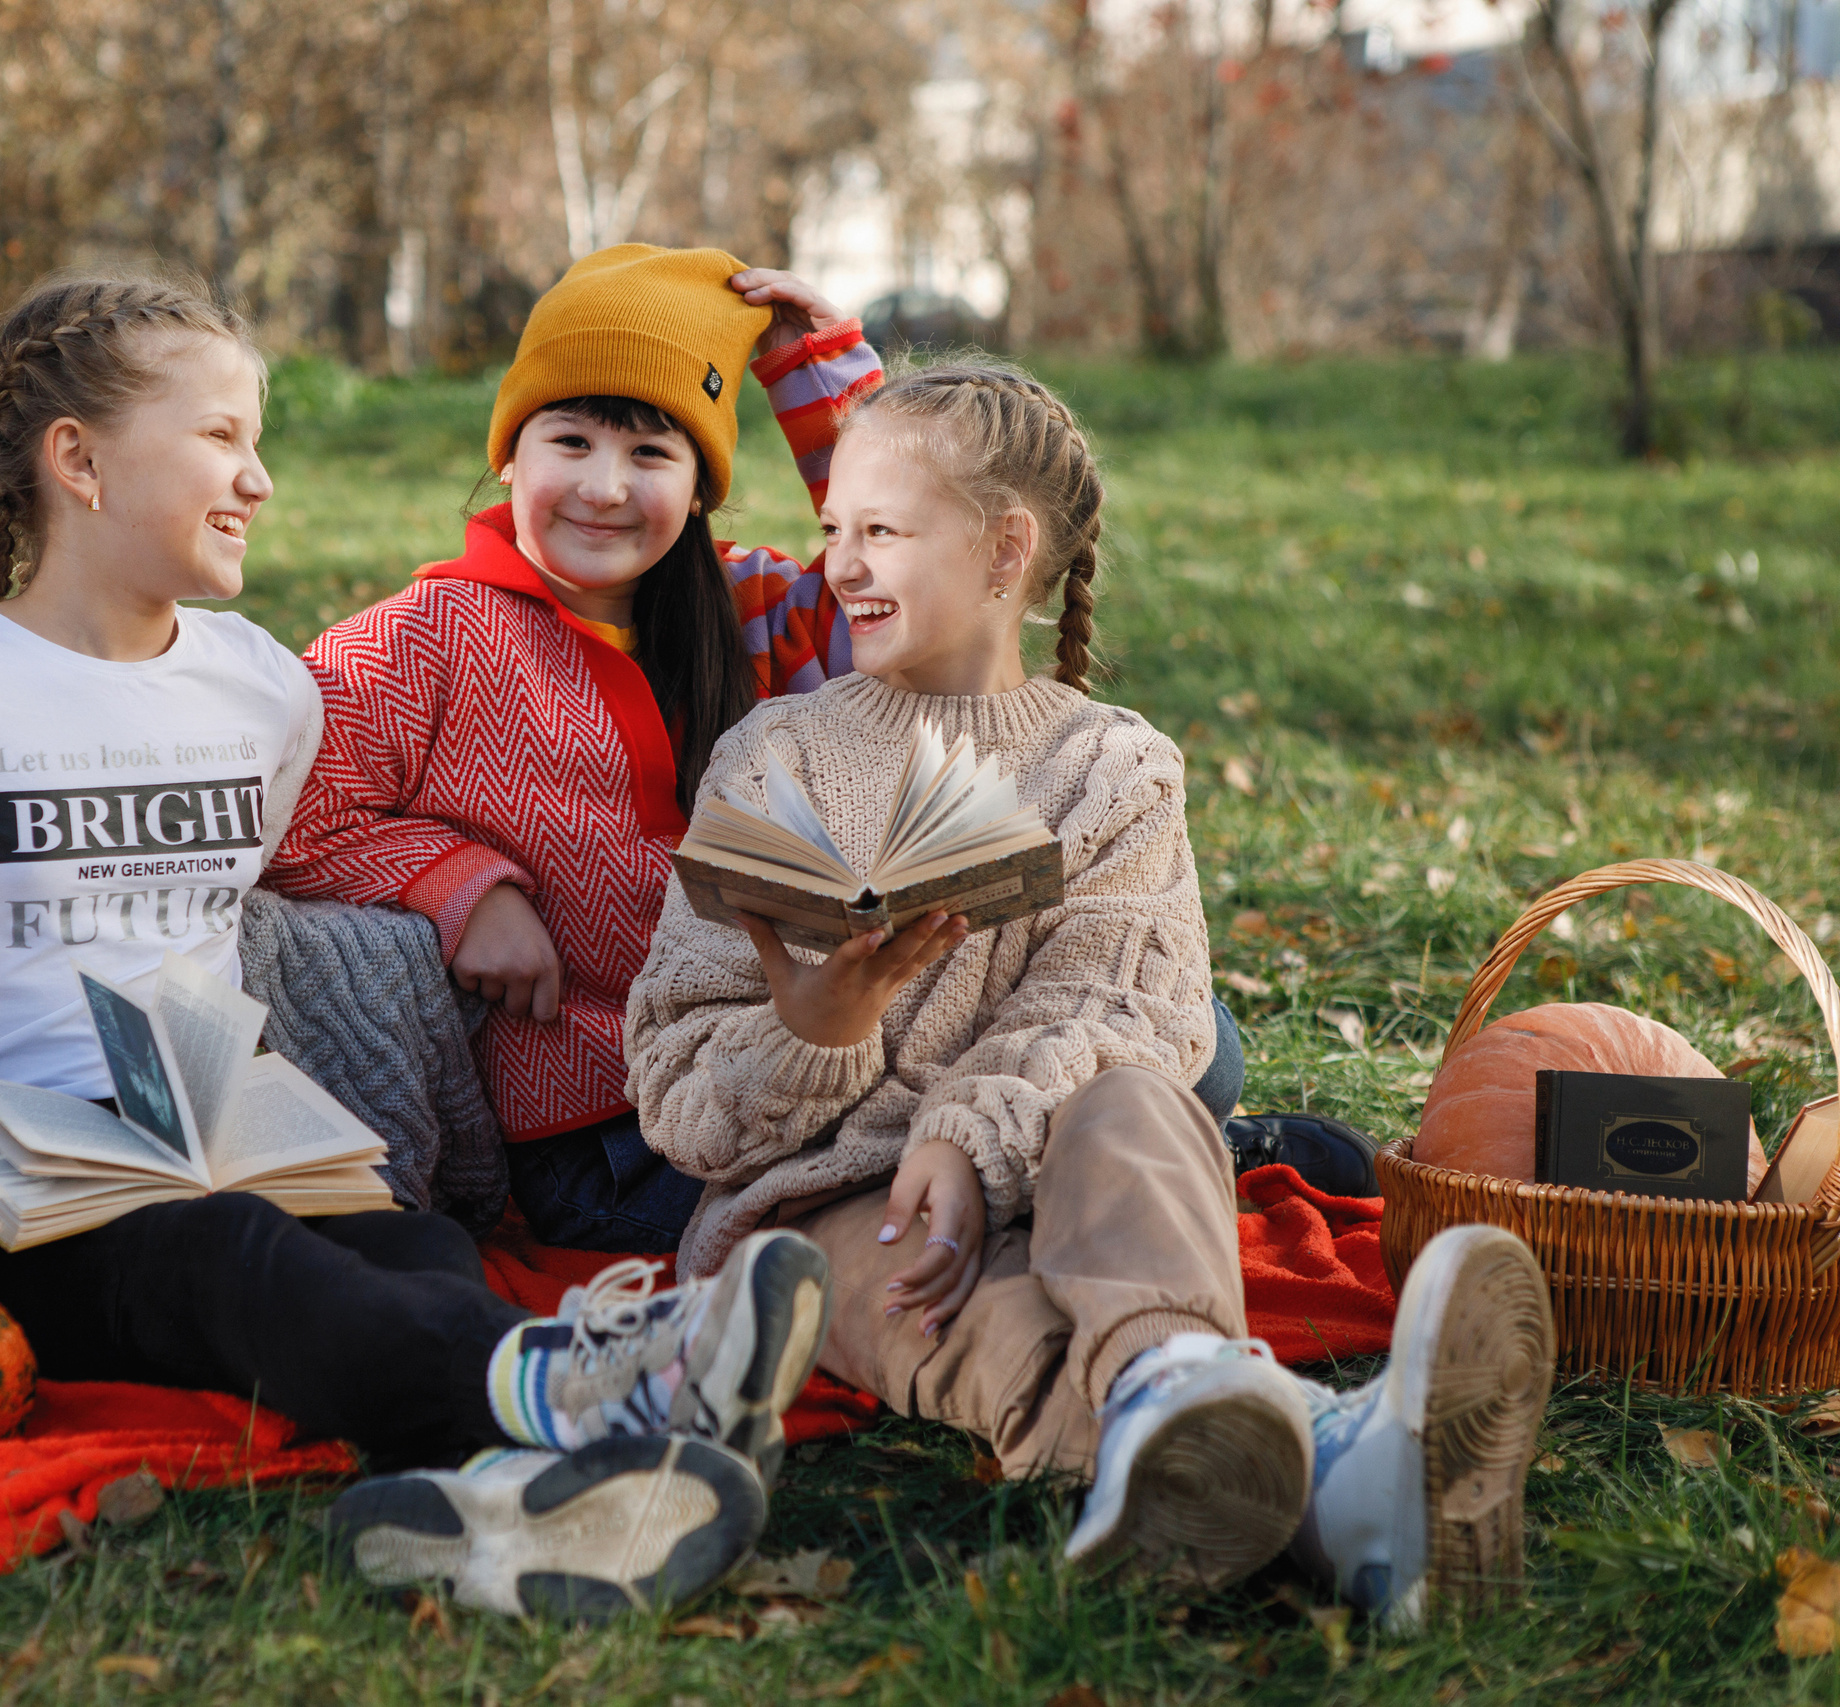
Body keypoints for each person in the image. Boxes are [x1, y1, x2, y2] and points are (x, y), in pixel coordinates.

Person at [0, 273, 835, 1618]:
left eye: (262, 443)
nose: (257, 480)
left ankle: (486, 1511)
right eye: (220, 440)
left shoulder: (254, 691)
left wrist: (460, 881)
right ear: (76, 461)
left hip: (217, 1121)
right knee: (232, 1260)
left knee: (414, 1251)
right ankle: (601, 1380)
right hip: (8, 1179)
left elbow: (327, 844)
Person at [624, 361, 1556, 1621]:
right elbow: (677, 1079)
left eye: (882, 532)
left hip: (1062, 1154)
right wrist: (817, 1031)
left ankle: (1182, 1400)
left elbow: (1128, 1010)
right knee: (932, 1301)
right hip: (824, 1201)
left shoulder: (1109, 767)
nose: (839, 562)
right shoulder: (773, 754)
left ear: (1006, 549)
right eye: (831, 528)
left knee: (1134, 1099)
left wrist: (970, 1135)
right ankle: (1324, 1466)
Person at [263, 245, 882, 1252]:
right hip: (599, 1131)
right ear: (512, 452)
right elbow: (283, 816)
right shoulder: (422, 636)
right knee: (897, 1207)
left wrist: (824, 383)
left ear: (699, 485)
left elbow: (892, 590)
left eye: (650, 454)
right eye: (571, 441)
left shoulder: (747, 611)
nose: (603, 486)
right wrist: (461, 888)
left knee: (1172, 1047)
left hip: (782, 1060)